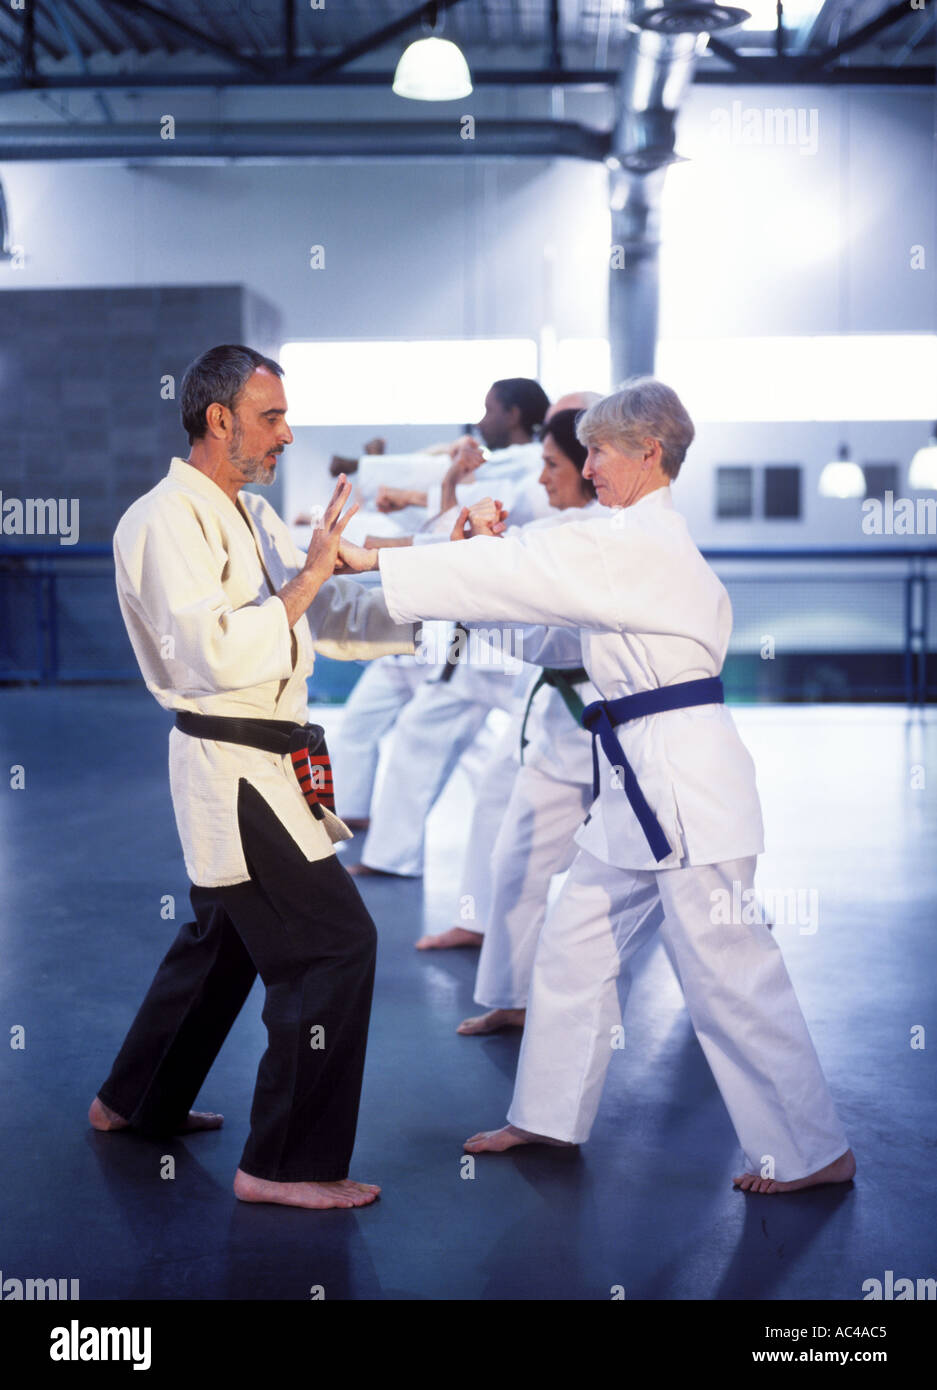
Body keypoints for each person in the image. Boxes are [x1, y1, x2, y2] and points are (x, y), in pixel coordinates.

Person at [339, 378, 856, 1195]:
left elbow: (523, 564)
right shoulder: (615, 543)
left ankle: (810, 1149)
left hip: (684, 784)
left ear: (650, 454)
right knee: (575, 938)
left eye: (601, 451)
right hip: (636, 784)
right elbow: (547, 634)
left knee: (728, 968)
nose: (589, 465)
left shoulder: (634, 543)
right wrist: (469, 580)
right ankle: (545, 1114)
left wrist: (377, 559)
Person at [89, 344, 418, 1211]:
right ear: (218, 420)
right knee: (331, 947)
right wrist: (312, 574)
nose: (287, 432)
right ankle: (284, 1164)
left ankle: (132, 1100)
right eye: (271, 417)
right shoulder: (162, 520)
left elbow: (334, 576)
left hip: (269, 759)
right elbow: (211, 654)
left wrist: (440, 550)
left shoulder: (246, 511)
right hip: (233, 764)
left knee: (226, 939)